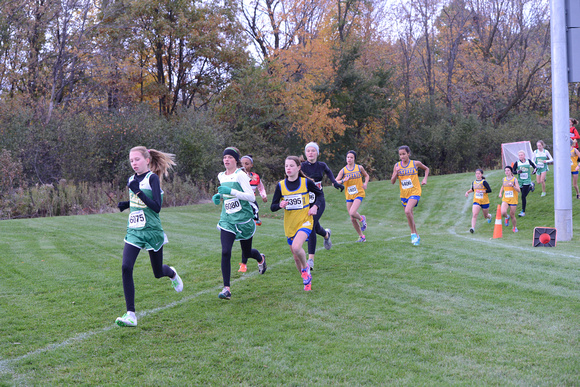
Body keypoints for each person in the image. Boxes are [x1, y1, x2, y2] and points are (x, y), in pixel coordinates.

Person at [115, 146, 183, 327]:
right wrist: (127, 203)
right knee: (125, 267)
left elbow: (156, 206)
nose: (134, 163)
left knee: (157, 272)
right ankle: (131, 314)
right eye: (131, 161)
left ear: (146, 160)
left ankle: (172, 273)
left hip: (152, 231)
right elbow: (138, 202)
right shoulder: (131, 179)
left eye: (137, 159)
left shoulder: (152, 178)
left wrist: (137, 191)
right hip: (134, 231)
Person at [213, 147, 267, 300]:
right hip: (227, 220)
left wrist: (232, 193)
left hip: (243, 219)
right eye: (224, 157)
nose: (226, 160)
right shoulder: (221, 175)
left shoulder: (241, 175)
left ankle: (260, 258)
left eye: (230, 157)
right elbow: (225, 193)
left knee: (247, 252)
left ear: (235, 160)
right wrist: (219, 196)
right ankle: (226, 289)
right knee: (225, 252)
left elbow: (250, 196)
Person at [270, 156, 323, 291]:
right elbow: (273, 206)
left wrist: (315, 206)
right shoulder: (280, 185)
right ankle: (307, 281)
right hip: (290, 225)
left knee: (296, 246)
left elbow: (320, 195)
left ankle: (306, 269)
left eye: (291, 165)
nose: (288, 168)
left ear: (298, 168)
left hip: (305, 221)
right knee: (296, 257)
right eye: (286, 166)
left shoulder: (306, 183)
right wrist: (280, 204)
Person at [300, 142, 344, 270]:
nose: (311, 153)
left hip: (319, 200)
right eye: (308, 151)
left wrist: (335, 183)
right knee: (314, 225)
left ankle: (310, 260)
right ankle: (326, 234)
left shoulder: (321, 165)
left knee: (312, 224)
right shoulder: (301, 166)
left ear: (317, 153)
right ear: (305, 153)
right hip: (306, 200)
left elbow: (330, 174)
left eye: (313, 151)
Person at [390, 146, 429, 246]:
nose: (402, 156)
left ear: (408, 154)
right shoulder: (397, 166)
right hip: (404, 194)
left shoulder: (415, 163)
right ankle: (416, 235)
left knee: (407, 211)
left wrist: (425, 179)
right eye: (400, 154)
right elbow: (392, 181)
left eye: (404, 154)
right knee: (409, 215)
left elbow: (426, 169)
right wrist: (396, 173)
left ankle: (412, 234)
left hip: (415, 192)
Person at [237, 155, 268, 273]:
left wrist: (264, 195)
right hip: (240, 208)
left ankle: (244, 263)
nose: (244, 166)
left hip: (251, 208)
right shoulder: (237, 176)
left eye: (247, 163)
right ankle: (252, 260)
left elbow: (260, 187)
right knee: (241, 235)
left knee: (245, 235)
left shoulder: (255, 177)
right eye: (242, 163)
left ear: (251, 165)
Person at [335, 150, 370, 242]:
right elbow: (334, 182)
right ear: (346, 158)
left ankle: (362, 218)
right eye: (348, 157)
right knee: (352, 218)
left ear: (354, 159)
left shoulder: (359, 168)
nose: (349, 159)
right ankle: (362, 237)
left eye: (351, 157)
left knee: (352, 212)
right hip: (349, 195)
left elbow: (366, 176)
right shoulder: (343, 170)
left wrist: (365, 183)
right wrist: (343, 180)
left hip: (359, 193)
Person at [464, 169, 493, 233]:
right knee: (474, 214)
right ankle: (472, 228)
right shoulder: (474, 182)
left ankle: (489, 216)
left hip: (485, 201)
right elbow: (473, 189)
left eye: (479, 173)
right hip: (476, 201)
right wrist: (467, 192)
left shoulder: (484, 182)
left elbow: (489, 190)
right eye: (476, 173)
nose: (477, 175)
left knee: (485, 216)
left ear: (481, 174)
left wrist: (482, 191)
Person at [512, 150, 536, 217]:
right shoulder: (517, 162)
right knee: (523, 195)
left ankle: (523, 211)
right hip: (520, 181)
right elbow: (513, 171)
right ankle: (531, 187)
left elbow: (535, 167)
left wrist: (534, 171)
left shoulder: (528, 161)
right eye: (519, 155)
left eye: (521, 155)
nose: (520, 156)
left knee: (523, 196)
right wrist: (517, 172)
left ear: (524, 155)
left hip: (527, 180)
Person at [498, 165, 521, 233]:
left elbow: (518, 190)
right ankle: (506, 217)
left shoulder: (514, 179)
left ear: (511, 171)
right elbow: (503, 186)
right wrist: (500, 193)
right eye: (505, 170)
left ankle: (514, 227)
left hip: (513, 199)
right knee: (503, 212)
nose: (506, 172)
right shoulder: (504, 179)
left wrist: (513, 186)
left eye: (508, 170)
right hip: (505, 199)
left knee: (512, 215)